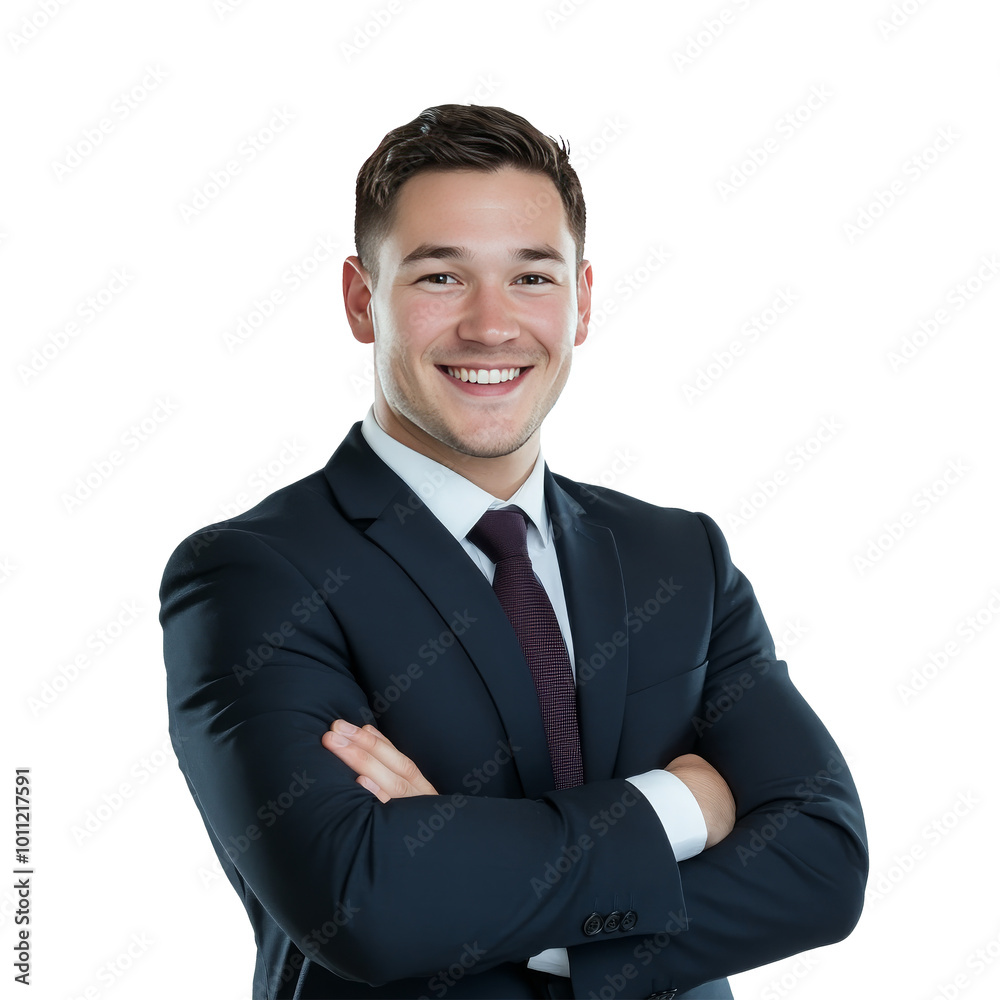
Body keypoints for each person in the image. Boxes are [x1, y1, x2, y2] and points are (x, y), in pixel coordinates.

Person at [160, 104, 867, 1000]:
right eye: (441, 277)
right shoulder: (253, 576)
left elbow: (822, 866)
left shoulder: (678, 557)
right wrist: (681, 807)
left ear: (581, 302)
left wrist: (470, 879)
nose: (492, 327)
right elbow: (364, 904)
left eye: (532, 278)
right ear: (359, 299)